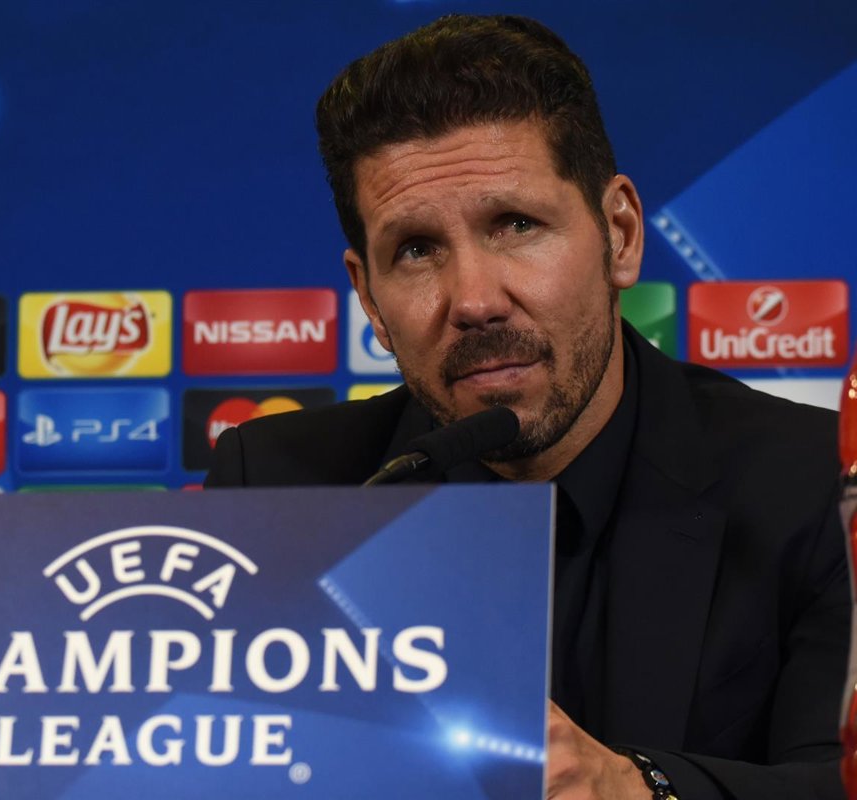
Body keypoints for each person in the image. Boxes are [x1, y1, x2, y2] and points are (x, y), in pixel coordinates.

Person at [205, 14, 851, 800]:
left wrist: (636, 787)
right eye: (416, 250)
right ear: (368, 296)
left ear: (619, 235)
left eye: (515, 225)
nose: (475, 300)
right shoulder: (286, 490)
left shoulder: (811, 486)